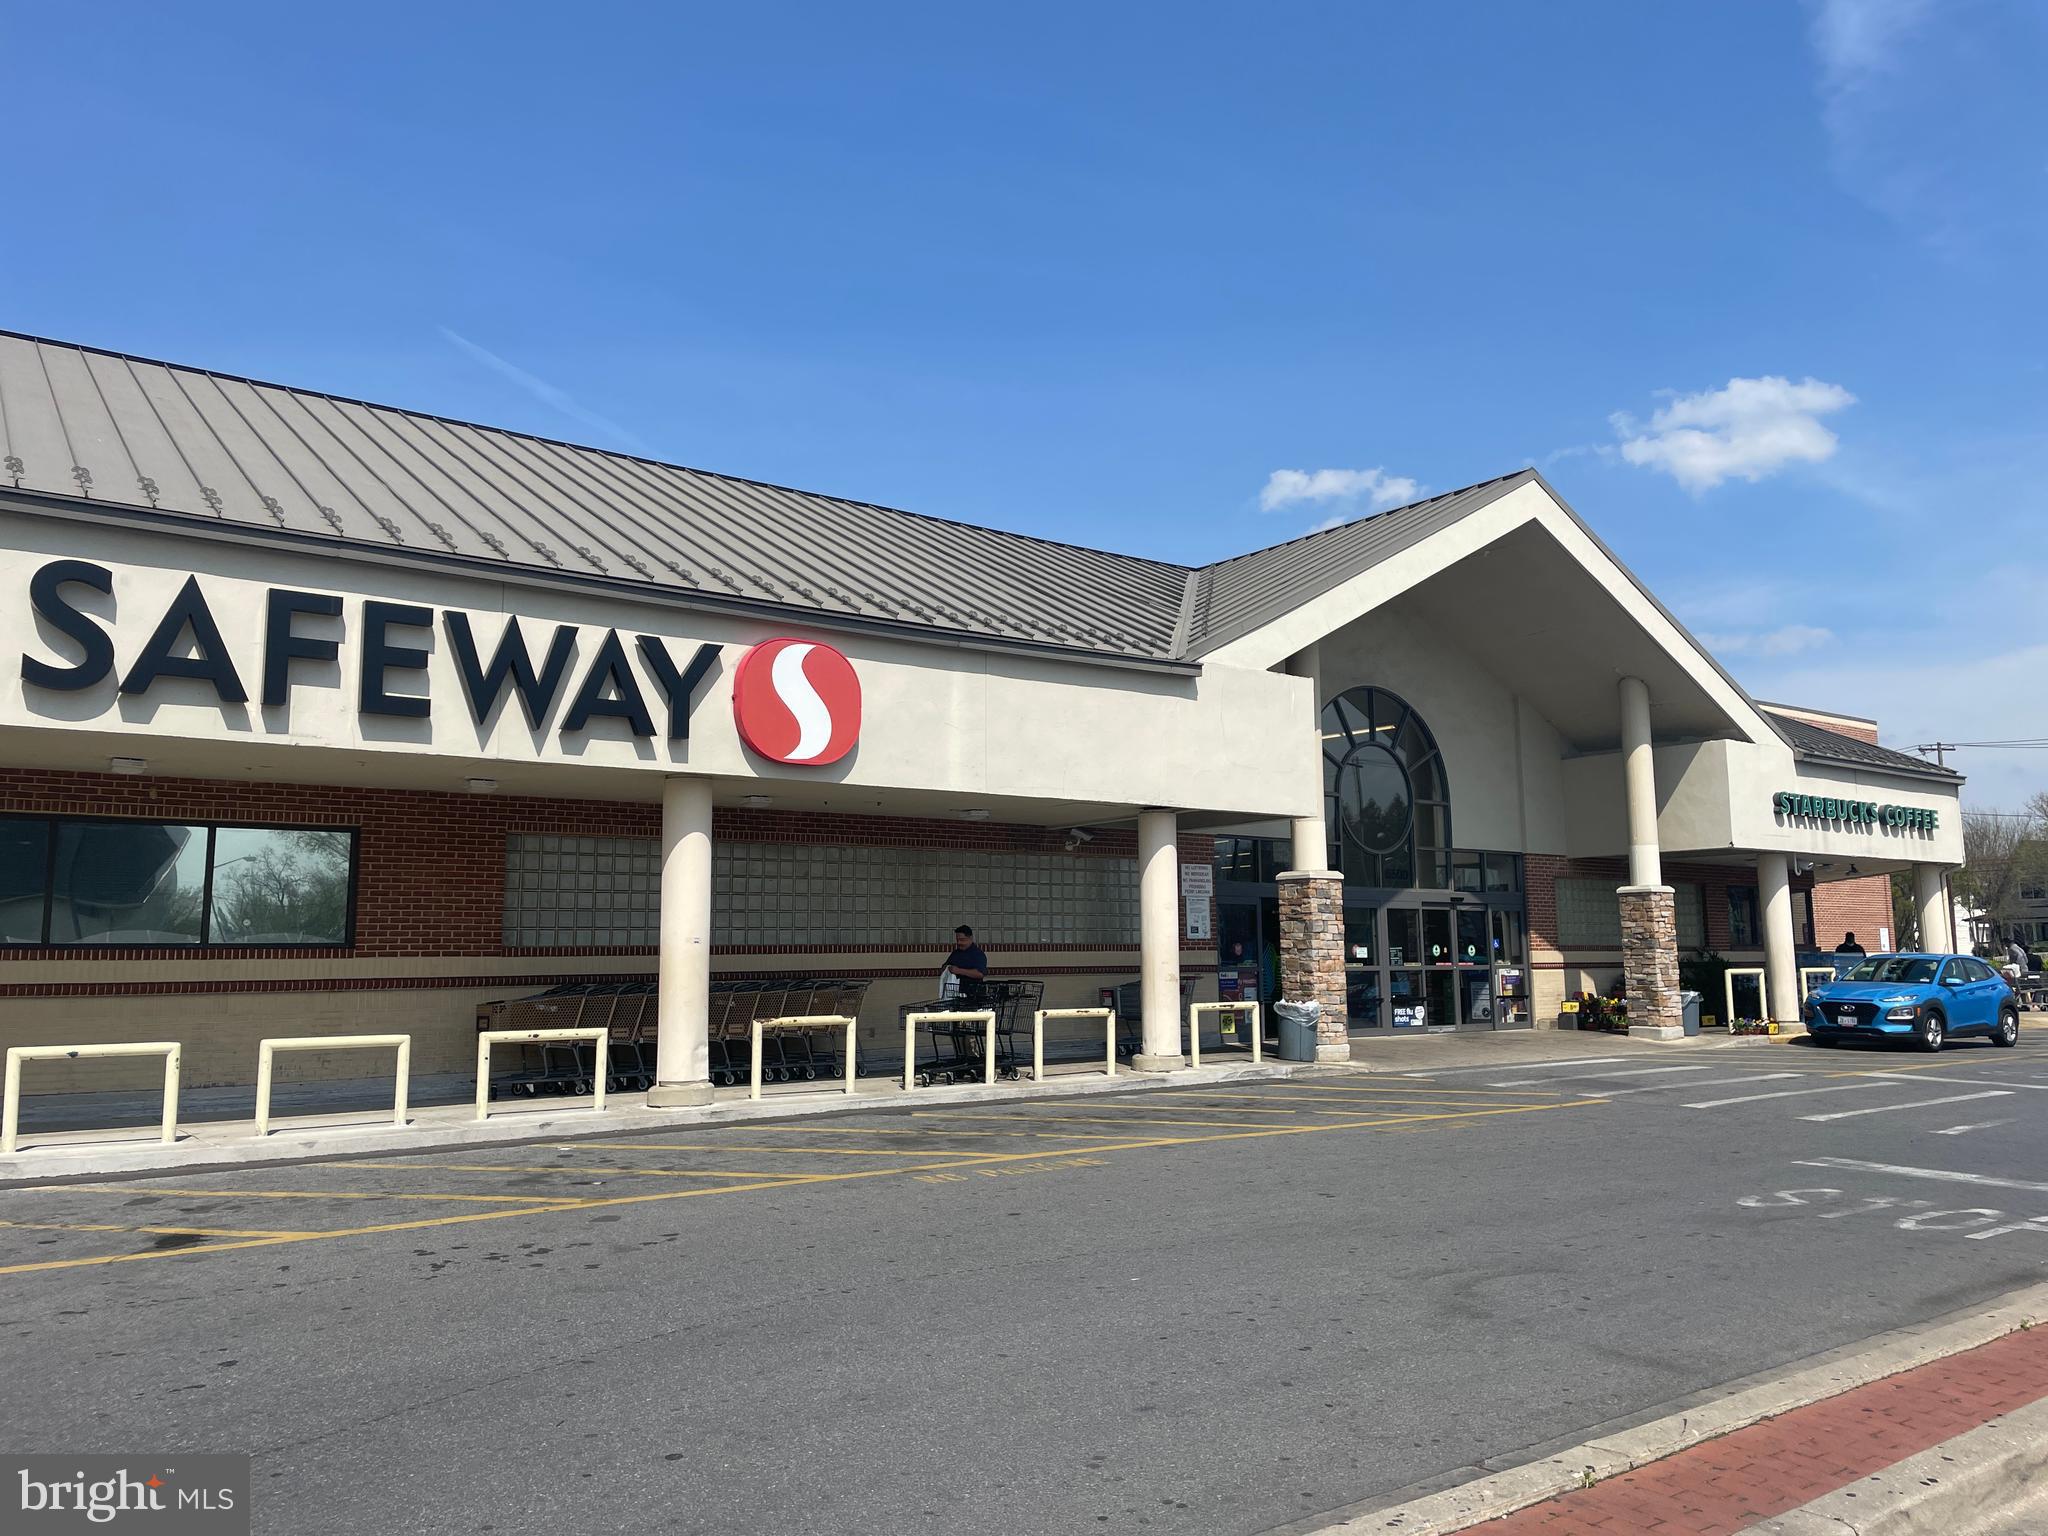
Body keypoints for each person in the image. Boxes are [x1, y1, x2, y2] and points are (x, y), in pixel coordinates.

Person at [939, 924, 988, 1005]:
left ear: (970, 938)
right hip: (955, 994)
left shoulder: (977, 954)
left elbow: (980, 973)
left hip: (973, 995)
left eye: (962, 940)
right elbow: (945, 966)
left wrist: (959, 971)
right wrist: (945, 969)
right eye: (957, 940)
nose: (959, 942)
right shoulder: (956, 953)